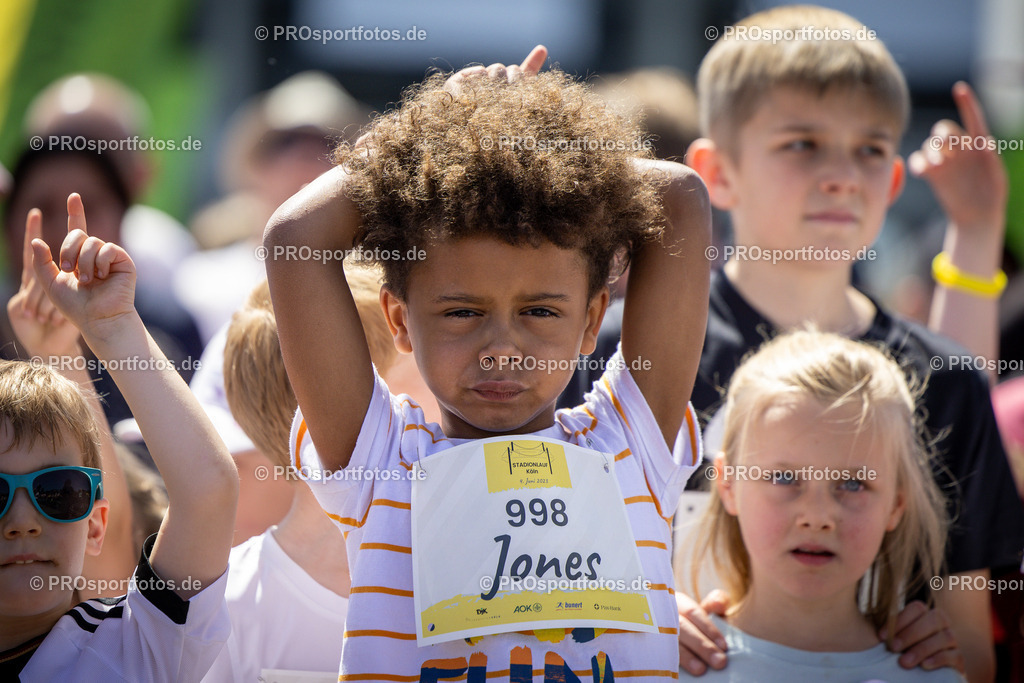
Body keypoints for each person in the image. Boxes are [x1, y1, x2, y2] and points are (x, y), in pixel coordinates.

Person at [264, 44, 710, 677]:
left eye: (541, 312)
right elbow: (294, 240)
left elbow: (681, 199)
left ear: (591, 322)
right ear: (400, 322)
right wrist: (439, 132)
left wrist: (531, 134)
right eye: (461, 313)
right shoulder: (382, 467)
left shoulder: (629, 450)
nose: (502, 348)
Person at [673, 7, 1024, 682]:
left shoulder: (945, 380)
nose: (841, 174)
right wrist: (633, 616)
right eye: (802, 142)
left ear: (894, 182)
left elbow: (974, 652)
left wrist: (937, 640)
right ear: (716, 172)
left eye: (869, 148)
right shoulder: (628, 350)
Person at [0, 193, 237, 680]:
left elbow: (207, 493)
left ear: (95, 524)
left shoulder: (136, 644)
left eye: (59, 492)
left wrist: (112, 328)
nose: (21, 522)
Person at [689, 330, 961, 682]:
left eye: (852, 484)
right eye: (784, 479)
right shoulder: (660, 667)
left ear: (896, 503)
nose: (817, 518)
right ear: (728, 483)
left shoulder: (935, 677)